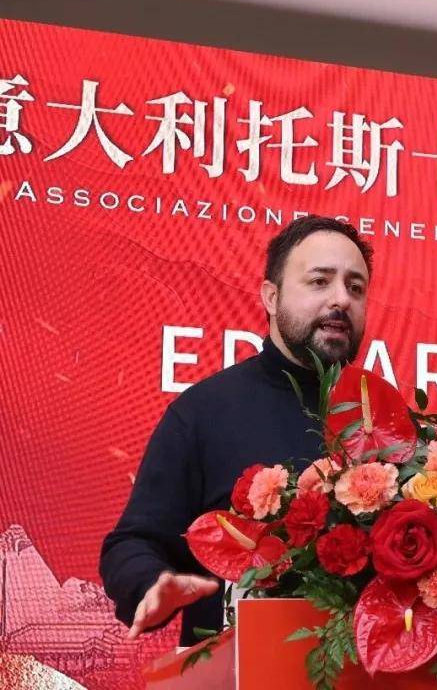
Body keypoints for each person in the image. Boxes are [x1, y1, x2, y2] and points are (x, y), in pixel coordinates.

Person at [99, 216, 373, 646]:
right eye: (320, 281)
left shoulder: (383, 419)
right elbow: (132, 543)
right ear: (271, 297)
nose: (341, 299)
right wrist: (151, 582)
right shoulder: (203, 412)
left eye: (355, 287)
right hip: (236, 668)